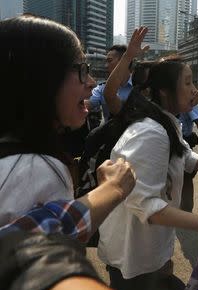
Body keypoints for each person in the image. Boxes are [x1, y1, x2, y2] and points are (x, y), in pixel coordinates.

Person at [96, 27, 198, 290]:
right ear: (164, 91)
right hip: (133, 254)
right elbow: (144, 204)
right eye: (187, 83)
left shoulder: (167, 122)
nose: (194, 90)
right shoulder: (151, 133)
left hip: (151, 247)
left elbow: (185, 154)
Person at [0, 15, 136, 235]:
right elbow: (52, 250)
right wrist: (114, 188)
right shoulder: (39, 170)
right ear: (43, 79)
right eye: (82, 70)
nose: (91, 82)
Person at [88, 44, 133, 122]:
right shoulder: (102, 88)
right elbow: (87, 105)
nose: (106, 66)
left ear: (124, 62)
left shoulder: (141, 87)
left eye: (109, 61)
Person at [178, 104, 198, 212]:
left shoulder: (188, 100)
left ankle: (186, 211)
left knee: (186, 180)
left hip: (183, 145)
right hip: (167, 142)